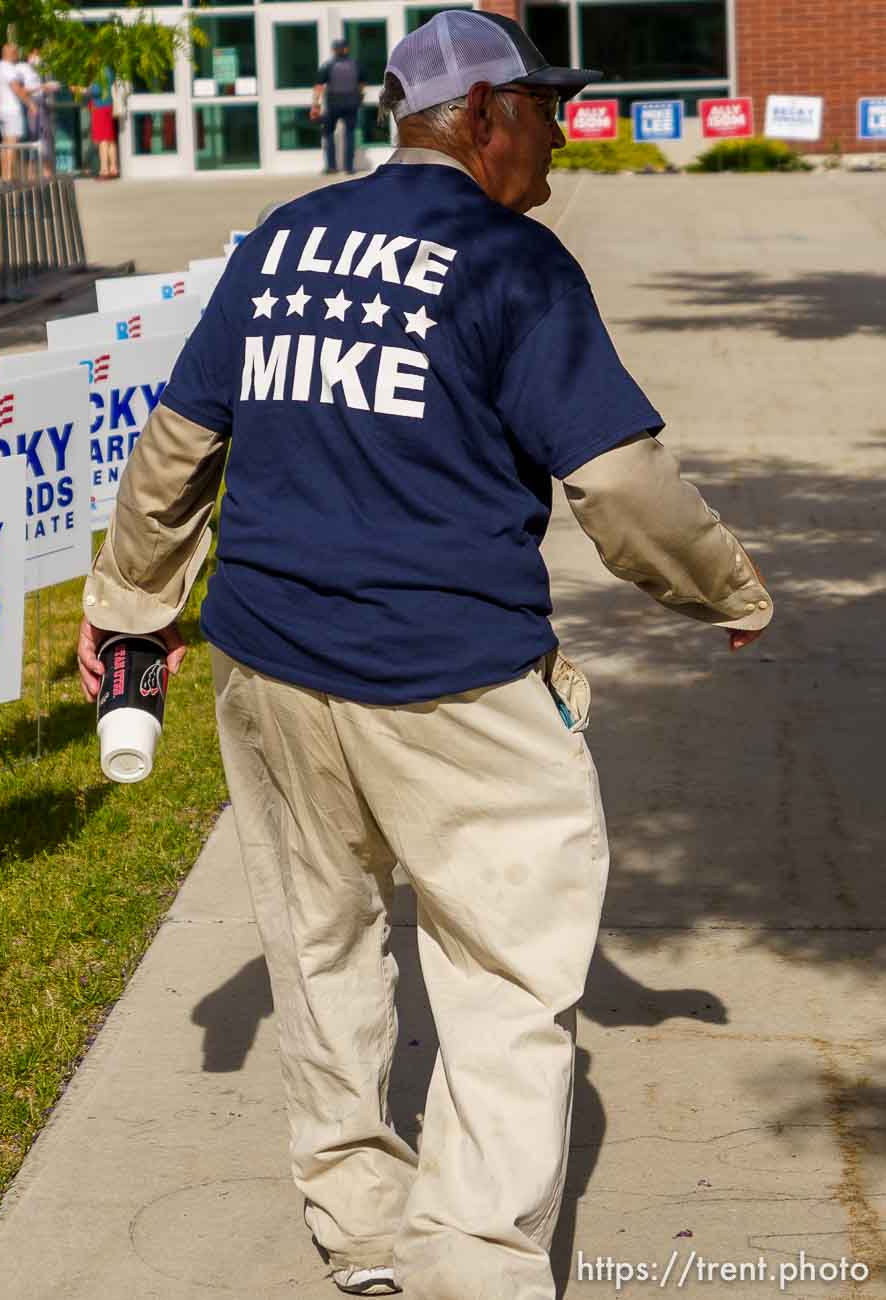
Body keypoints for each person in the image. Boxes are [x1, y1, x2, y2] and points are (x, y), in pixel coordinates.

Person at [76, 10, 772, 1299]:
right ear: (485, 117)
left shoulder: (284, 240)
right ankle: (469, 1269)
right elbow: (620, 485)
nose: (561, 130)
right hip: (456, 682)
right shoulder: (513, 262)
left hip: (271, 666)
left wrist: (129, 607)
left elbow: (177, 441)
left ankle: (364, 1231)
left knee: (322, 948)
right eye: (546, 107)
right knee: (508, 973)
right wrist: (727, 585)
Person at [314, 38, 369, 174]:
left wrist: (316, 105)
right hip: (351, 103)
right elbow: (362, 84)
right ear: (346, 49)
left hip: (333, 103)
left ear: (334, 50)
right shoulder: (356, 65)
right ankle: (349, 168)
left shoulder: (328, 66)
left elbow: (319, 87)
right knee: (350, 134)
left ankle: (332, 167)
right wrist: (360, 98)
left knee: (328, 133)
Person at [0, 42, 33, 183]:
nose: (18, 56)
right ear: (11, 54)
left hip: (0, 108)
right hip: (11, 109)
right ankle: (8, 176)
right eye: (16, 53)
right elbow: (16, 89)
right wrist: (31, 104)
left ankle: (5, 174)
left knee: (5, 143)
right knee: (12, 143)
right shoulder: (8, 69)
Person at [86, 68, 119, 179]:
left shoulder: (101, 71)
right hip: (108, 106)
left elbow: (96, 90)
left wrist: (80, 89)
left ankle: (104, 170)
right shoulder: (109, 70)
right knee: (110, 139)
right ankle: (113, 168)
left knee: (102, 140)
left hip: (100, 107)